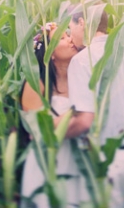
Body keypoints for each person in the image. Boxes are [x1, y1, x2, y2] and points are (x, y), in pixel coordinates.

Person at [61, 5, 124, 208]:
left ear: (82, 23)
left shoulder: (82, 61)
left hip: (104, 164)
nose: (69, 34)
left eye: (70, 27)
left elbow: (84, 121)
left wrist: (49, 134)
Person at [20, 22, 87, 207]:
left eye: (68, 35)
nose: (70, 40)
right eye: (63, 38)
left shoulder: (83, 79)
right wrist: (80, 120)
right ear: (50, 54)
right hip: (46, 163)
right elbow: (36, 127)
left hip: (79, 164)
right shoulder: (36, 83)